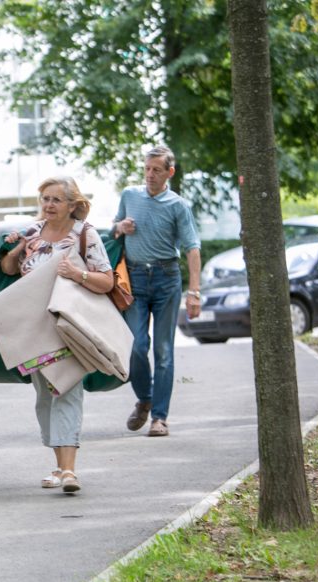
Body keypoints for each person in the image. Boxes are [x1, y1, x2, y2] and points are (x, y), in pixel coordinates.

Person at [1, 176, 113, 493]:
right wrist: (13, 250)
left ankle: (69, 471)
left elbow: (106, 281)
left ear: (72, 205)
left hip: (69, 326)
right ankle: (59, 464)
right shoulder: (33, 232)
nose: (48, 205)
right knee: (44, 397)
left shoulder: (85, 235)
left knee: (66, 390)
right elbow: (11, 271)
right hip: (33, 328)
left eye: (56, 200)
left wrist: (76, 274)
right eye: (45, 199)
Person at [111, 145, 201, 438]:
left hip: (166, 279)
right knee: (136, 345)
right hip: (135, 279)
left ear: (169, 173)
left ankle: (159, 417)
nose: (150, 175)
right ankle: (145, 398)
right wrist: (120, 227)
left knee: (163, 351)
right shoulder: (130, 195)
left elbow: (192, 248)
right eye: (147, 169)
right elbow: (113, 232)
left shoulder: (178, 206)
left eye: (157, 170)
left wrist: (194, 292)